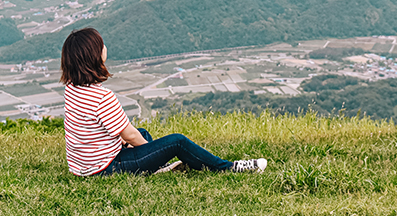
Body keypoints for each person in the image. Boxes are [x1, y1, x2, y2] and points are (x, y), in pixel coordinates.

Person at [61, 27, 267, 177]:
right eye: (101, 45)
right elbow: (130, 136)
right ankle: (228, 168)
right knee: (176, 141)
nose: (105, 47)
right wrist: (156, 154)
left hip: (82, 167)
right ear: (95, 57)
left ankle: (155, 167)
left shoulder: (71, 89)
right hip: (106, 168)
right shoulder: (102, 97)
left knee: (143, 133)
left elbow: (92, 129)